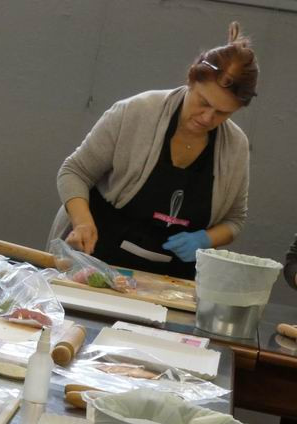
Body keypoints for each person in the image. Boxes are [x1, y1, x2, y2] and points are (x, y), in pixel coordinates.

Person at [48, 22, 257, 280]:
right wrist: (82, 222)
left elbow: (235, 220)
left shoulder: (235, 147)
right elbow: (74, 172)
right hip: (96, 260)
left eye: (222, 113)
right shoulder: (136, 112)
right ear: (191, 80)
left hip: (171, 282)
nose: (207, 117)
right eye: (203, 102)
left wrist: (205, 239)